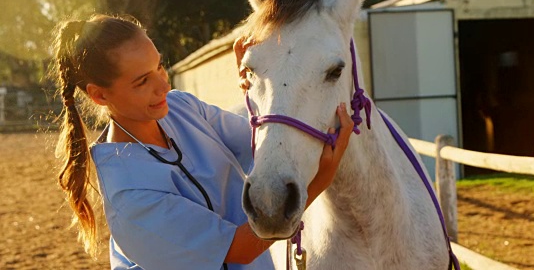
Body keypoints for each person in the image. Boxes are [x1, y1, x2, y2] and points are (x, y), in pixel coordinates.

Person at [52, 14, 353, 269]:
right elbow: (238, 249)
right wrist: (317, 183)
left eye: (159, 66)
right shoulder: (131, 199)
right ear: (100, 95)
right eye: (142, 81)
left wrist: (256, 84)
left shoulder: (181, 107)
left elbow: (257, 142)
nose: (163, 84)